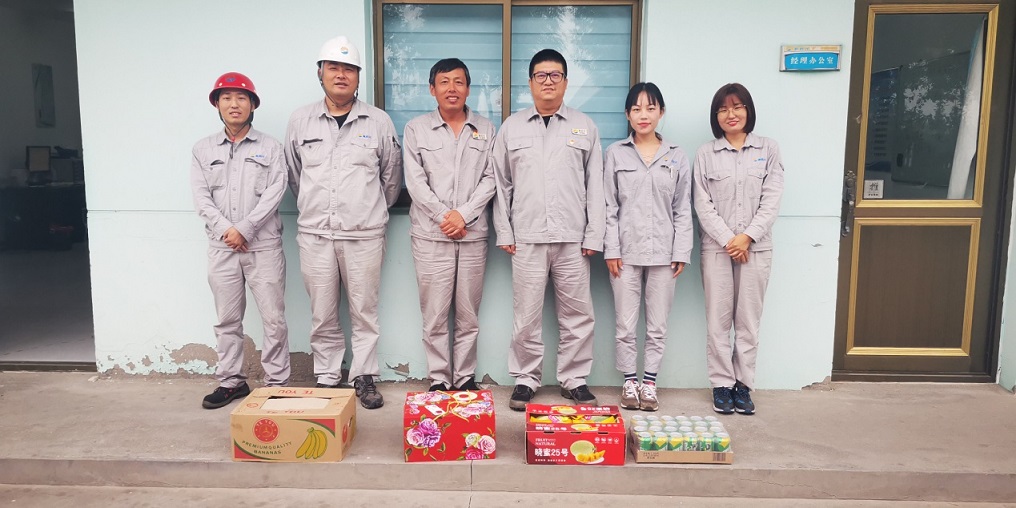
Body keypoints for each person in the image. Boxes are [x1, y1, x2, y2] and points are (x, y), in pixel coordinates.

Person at [284, 36, 403, 409]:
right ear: (320, 73)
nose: (341, 75)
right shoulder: (300, 121)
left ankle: (364, 376)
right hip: (316, 235)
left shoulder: (378, 121)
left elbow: (391, 179)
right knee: (322, 312)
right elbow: (294, 175)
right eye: (333, 67)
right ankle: (327, 375)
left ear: (358, 77)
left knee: (364, 311)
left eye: (349, 69)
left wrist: (365, 211)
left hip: (363, 235)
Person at [492, 49, 605, 410]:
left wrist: (594, 234)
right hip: (527, 237)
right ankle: (526, 379)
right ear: (530, 82)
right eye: (541, 75)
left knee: (578, 315)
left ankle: (574, 379)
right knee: (526, 315)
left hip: (573, 238)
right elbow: (500, 183)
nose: (548, 82)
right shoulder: (512, 127)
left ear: (566, 82)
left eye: (555, 75)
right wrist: (505, 231)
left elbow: (596, 184)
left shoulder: (584, 126)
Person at [191, 72, 290, 409]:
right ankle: (232, 382)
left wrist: (245, 228)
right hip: (222, 248)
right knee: (227, 320)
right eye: (227, 98)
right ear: (217, 105)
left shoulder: (271, 147)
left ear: (252, 105)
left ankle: (277, 383)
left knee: (273, 319)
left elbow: (276, 191)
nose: (234, 104)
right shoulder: (203, 150)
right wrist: (228, 231)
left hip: (263, 246)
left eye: (241, 98)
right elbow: (202, 199)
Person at [403, 58, 496, 392]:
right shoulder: (416, 129)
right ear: (432, 89)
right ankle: (440, 378)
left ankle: (465, 376)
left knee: (468, 313)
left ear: (468, 89)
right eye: (444, 82)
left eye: (459, 82)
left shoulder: (486, 129)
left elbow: (492, 177)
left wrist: (464, 215)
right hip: (431, 236)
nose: (452, 88)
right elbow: (415, 182)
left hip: (472, 235)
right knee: (435, 313)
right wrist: (446, 216)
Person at [693, 83, 784, 415]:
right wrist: (730, 241)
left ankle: (743, 386)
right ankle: (721, 385)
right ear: (716, 116)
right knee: (718, 321)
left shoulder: (768, 149)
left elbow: (772, 199)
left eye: (737, 107)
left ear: (748, 110)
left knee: (748, 321)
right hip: (718, 250)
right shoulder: (706, 154)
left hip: (756, 249)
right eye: (722, 109)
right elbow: (702, 203)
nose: (730, 114)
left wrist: (747, 237)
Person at [603, 82, 692, 412]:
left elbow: (683, 208)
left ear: (661, 112)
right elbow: (608, 206)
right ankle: (629, 382)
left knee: (657, 325)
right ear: (627, 114)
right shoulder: (615, 154)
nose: (644, 115)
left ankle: (650, 384)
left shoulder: (677, 155)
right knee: (625, 324)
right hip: (625, 254)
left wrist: (681, 251)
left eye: (651, 108)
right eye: (637, 109)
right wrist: (611, 249)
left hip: (664, 254)